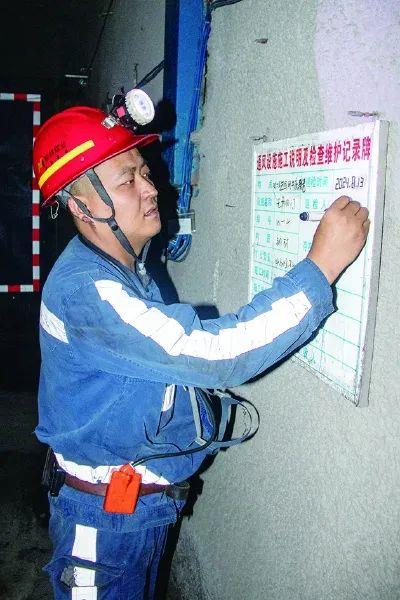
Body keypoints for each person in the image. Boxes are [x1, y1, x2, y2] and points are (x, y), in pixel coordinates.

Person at [33, 106, 369, 600]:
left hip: (133, 512)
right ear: (83, 208)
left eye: (145, 172)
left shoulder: (116, 268)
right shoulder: (89, 292)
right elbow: (215, 353)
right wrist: (320, 269)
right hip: (103, 528)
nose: (151, 188)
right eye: (127, 180)